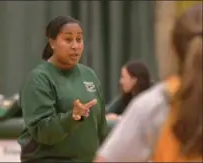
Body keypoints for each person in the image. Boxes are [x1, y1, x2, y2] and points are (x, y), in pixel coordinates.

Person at [94, 4, 202, 162]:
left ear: (173, 49)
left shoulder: (155, 104)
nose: (121, 81)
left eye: (124, 77)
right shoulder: (152, 103)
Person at [18, 16, 107, 163]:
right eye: (68, 40)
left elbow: (101, 126)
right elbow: (42, 131)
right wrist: (71, 117)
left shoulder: (89, 75)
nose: (75, 46)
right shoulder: (39, 78)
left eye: (79, 40)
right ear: (52, 42)